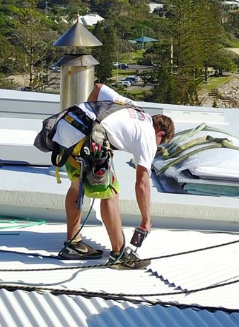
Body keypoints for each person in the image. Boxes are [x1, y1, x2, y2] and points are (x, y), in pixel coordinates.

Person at [51, 82, 175, 265]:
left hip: (65, 125)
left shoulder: (134, 108)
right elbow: (142, 183)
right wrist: (146, 220)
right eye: (160, 143)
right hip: (83, 137)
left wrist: (92, 119)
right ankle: (119, 255)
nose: (157, 147)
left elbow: (98, 87)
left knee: (77, 184)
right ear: (161, 133)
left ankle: (74, 244)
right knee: (111, 193)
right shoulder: (149, 136)